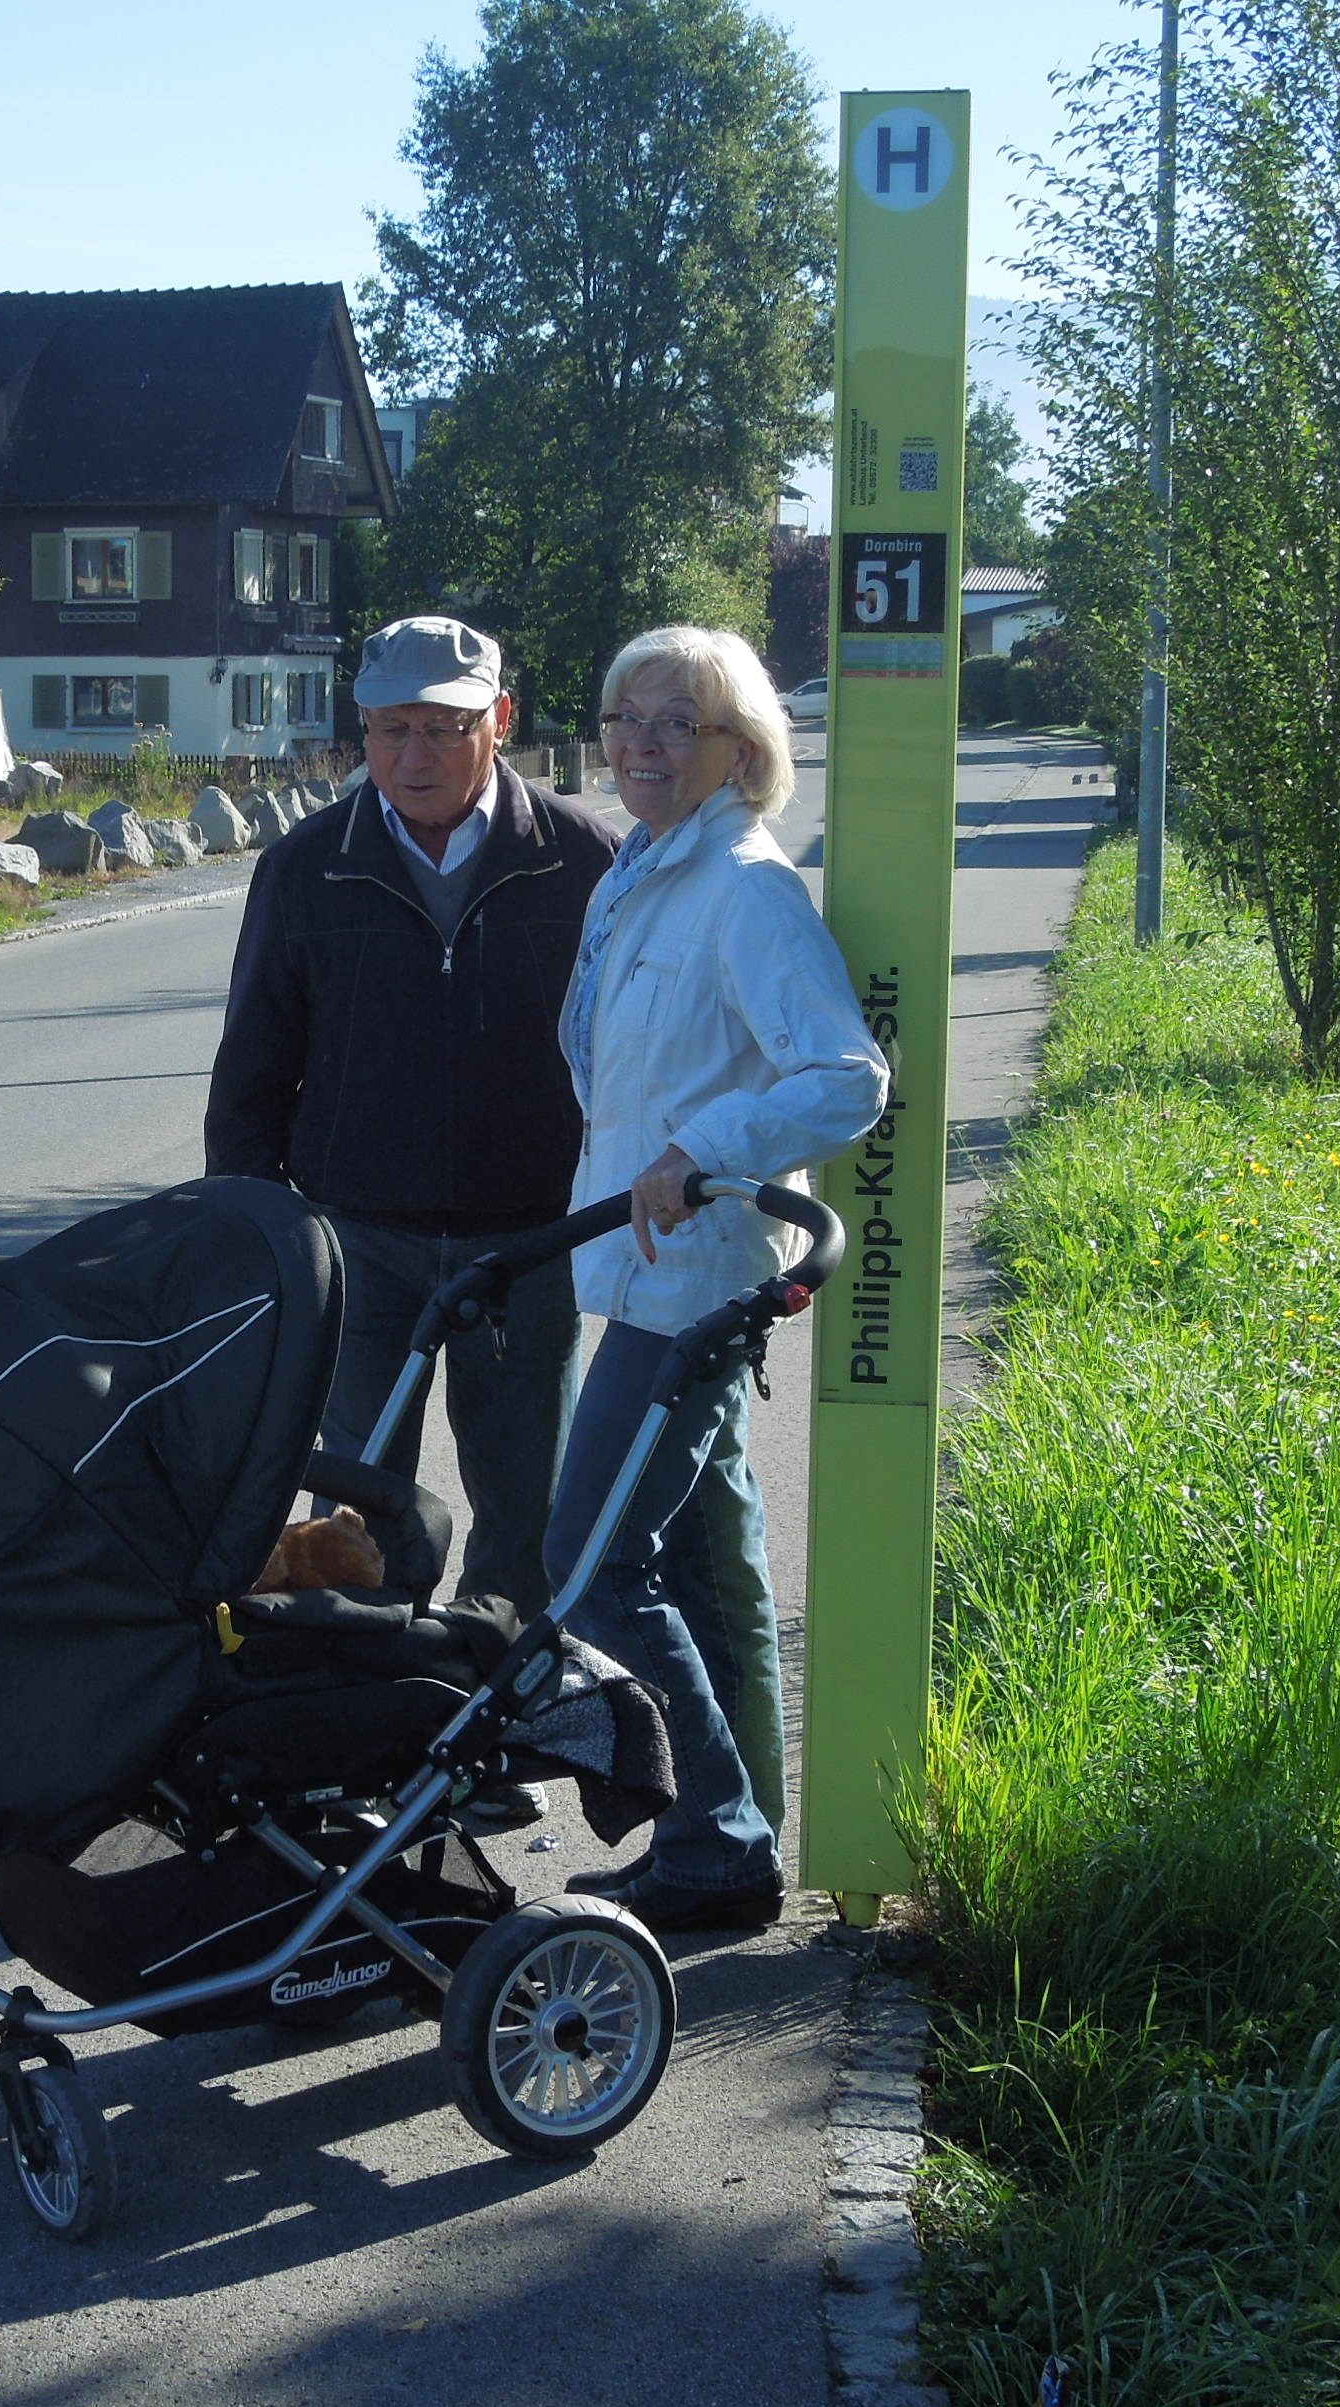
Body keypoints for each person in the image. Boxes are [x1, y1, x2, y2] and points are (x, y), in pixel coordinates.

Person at [544, 625, 889, 1934]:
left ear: (741, 753)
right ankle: (721, 1844)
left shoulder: (743, 888)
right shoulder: (641, 873)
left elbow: (845, 1078)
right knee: (688, 1568)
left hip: (693, 1288)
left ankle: (720, 1841)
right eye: (626, 717)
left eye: (677, 723)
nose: (641, 743)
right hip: (637, 1276)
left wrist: (706, 1151)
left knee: (589, 1564)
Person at [206, 614, 622, 1631]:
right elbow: (253, 1066)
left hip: (527, 1244)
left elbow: (629, 1055)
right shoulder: (306, 867)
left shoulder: (582, 860)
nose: (412, 755)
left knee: (524, 1510)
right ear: (363, 732)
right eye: (391, 729)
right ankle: (360, 1688)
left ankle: (501, 1696)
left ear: (500, 721)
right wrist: (252, 1235)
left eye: (442, 728)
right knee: (353, 1507)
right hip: (357, 1243)